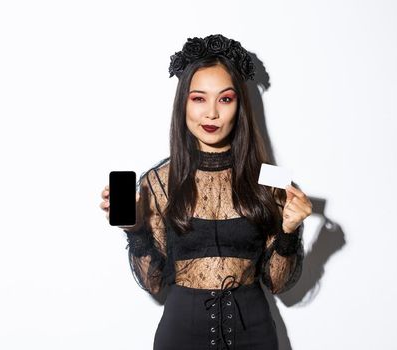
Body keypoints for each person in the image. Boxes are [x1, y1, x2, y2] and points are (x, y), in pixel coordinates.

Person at [99, 34, 313, 350]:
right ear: (182, 103)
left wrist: (289, 232)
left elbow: (279, 283)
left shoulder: (273, 181)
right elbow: (153, 282)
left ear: (239, 106)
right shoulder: (157, 182)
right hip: (180, 336)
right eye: (199, 98)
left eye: (225, 99)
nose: (211, 113)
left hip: (255, 336)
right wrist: (135, 229)